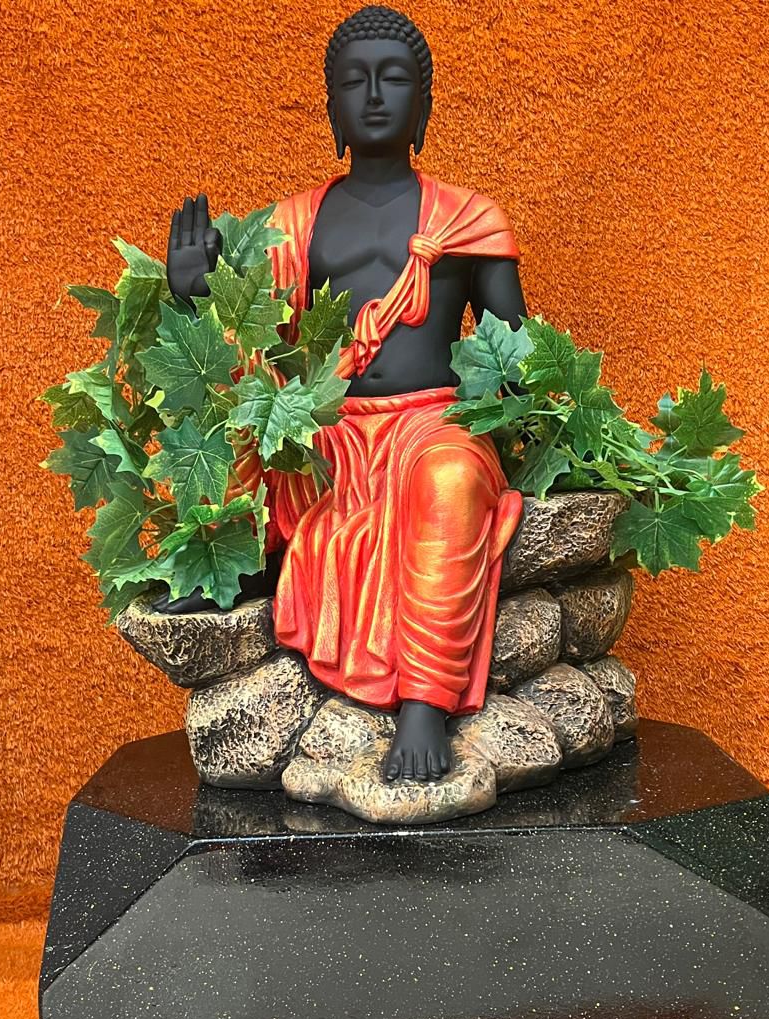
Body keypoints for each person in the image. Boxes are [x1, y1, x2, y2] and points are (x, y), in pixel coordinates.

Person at [163, 5, 529, 783]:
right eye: (354, 81)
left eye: (393, 79)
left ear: (425, 103)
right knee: (244, 409)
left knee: (450, 479)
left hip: (433, 425)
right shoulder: (290, 224)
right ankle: (226, 564)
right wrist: (199, 297)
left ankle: (425, 701)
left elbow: (513, 351)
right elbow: (257, 345)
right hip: (325, 432)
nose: (374, 95)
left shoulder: (469, 219)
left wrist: (545, 409)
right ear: (330, 105)